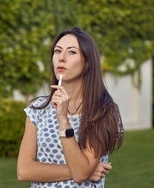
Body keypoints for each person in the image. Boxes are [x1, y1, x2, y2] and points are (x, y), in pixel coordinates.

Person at [17, 27, 124, 188]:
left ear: (87, 62)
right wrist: (83, 170)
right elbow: (24, 170)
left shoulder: (103, 110)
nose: (62, 58)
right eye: (57, 51)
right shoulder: (37, 109)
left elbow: (81, 175)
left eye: (72, 52)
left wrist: (63, 120)